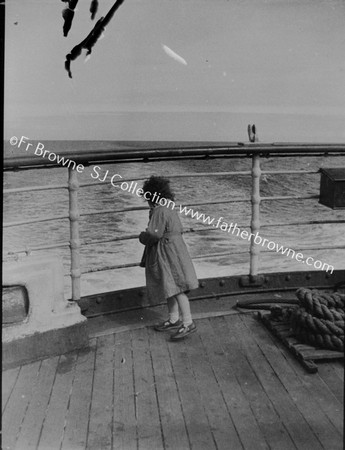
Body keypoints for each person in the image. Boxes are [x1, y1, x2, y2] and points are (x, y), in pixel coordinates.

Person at [139, 175, 199, 340]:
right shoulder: (169, 207)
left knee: (177, 288)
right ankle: (174, 319)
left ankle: (188, 322)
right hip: (175, 250)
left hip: (167, 253)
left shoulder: (159, 211)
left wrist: (142, 237)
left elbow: (153, 234)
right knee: (170, 286)